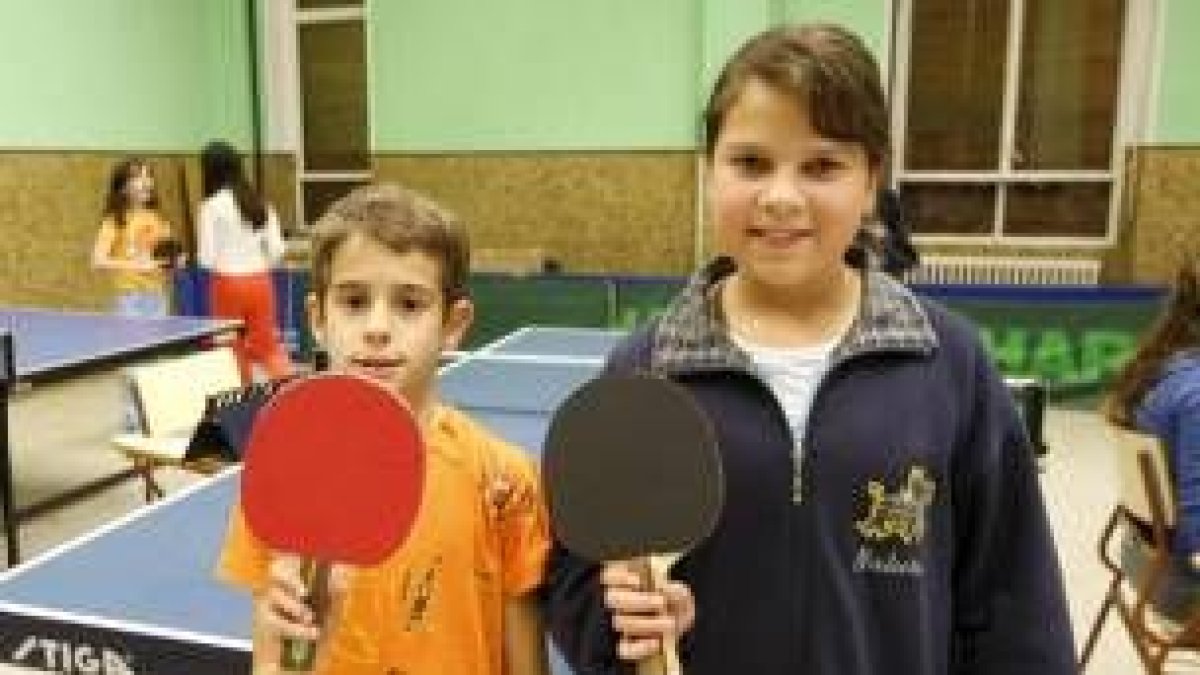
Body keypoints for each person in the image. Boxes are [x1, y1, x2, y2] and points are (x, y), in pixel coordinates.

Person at [542, 23, 1075, 674]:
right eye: (751, 163)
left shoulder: (951, 365)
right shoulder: (645, 372)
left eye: (821, 165)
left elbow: (1015, 604)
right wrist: (626, 623)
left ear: (872, 178)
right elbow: (577, 592)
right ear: (709, 170)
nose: (781, 197)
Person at [216, 183, 552, 674]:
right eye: (353, 302)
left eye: (409, 305)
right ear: (318, 318)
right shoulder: (282, 473)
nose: (377, 327)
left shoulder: (505, 480)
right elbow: (271, 660)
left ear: (453, 324)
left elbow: (527, 663)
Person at [1104, 255, 1200, 620]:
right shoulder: (1195, 391)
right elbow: (1197, 533)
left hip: (1140, 560)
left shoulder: (1166, 368)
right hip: (1180, 585)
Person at [197, 140, 292, 382]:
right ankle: (287, 392)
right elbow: (278, 250)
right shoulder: (260, 203)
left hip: (228, 283)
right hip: (260, 281)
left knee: (231, 347)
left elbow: (206, 258)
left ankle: (241, 402)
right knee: (267, 345)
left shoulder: (211, 206)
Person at [91, 158, 176, 317]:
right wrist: (135, 265)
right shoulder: (115, 220)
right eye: (138, 177)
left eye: (148, 175)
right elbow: (97, 260)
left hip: (158, 296)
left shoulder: (159, 218)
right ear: (123, 188)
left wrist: (174, 262)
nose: (146, 181)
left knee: (159, 342)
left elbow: (164, 258)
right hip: (130, 298)